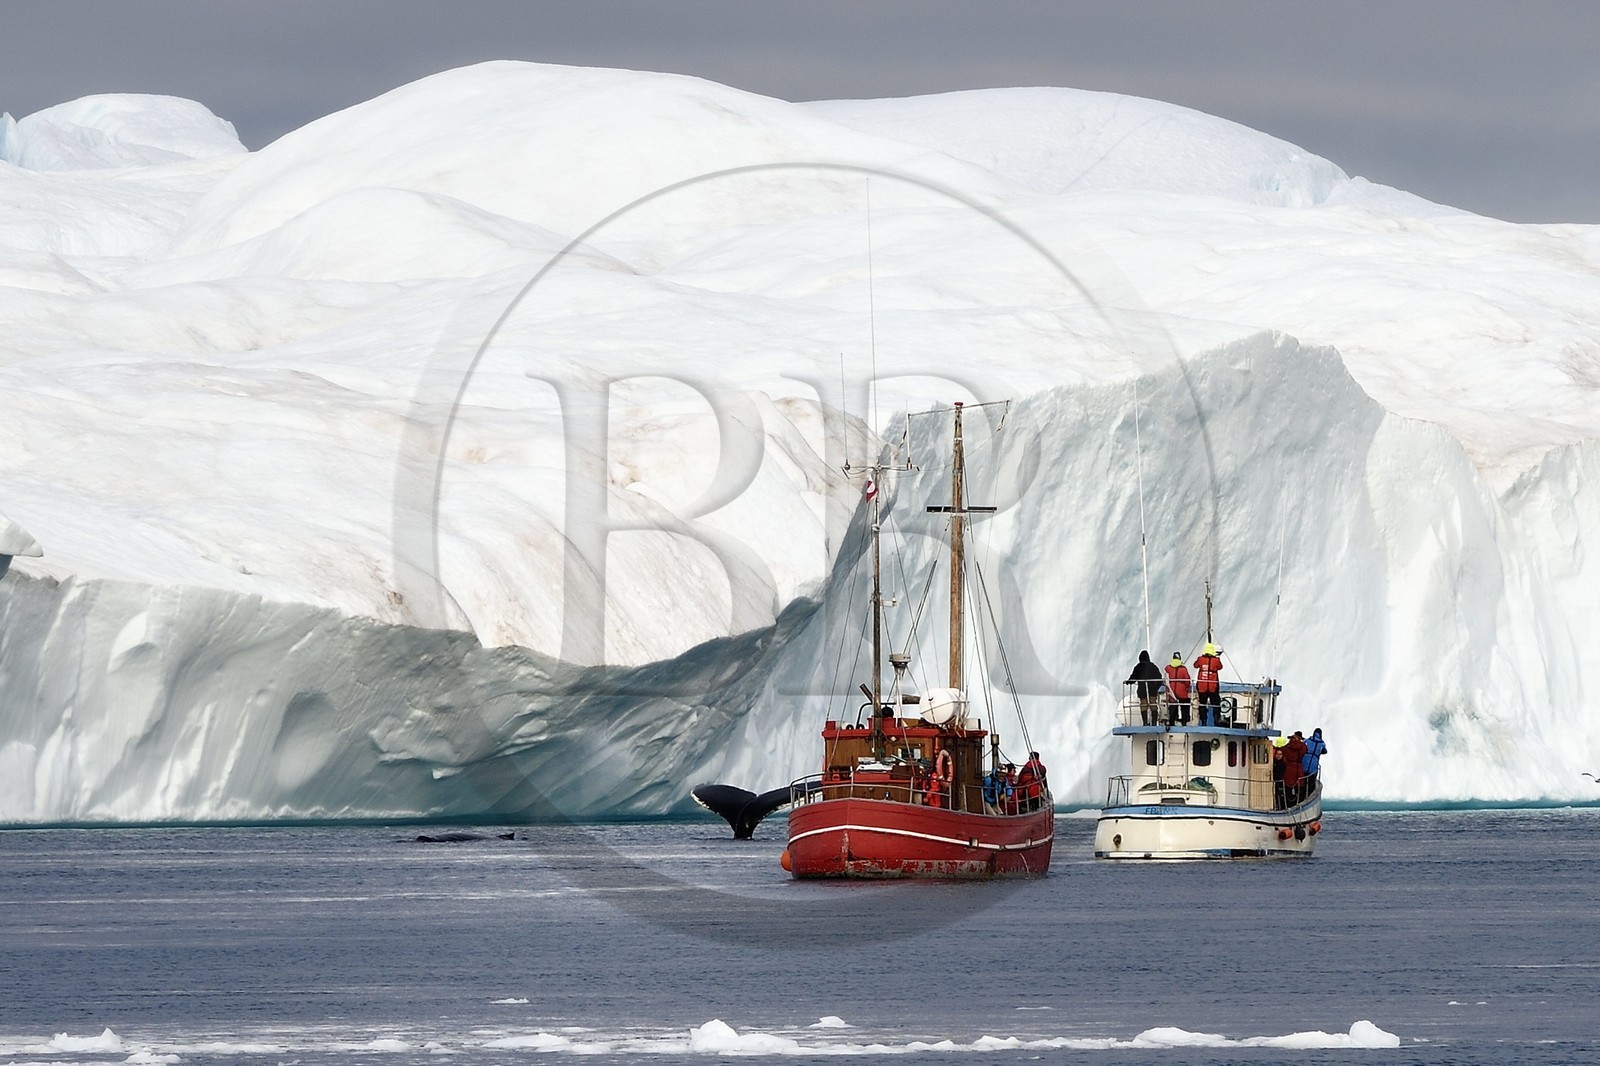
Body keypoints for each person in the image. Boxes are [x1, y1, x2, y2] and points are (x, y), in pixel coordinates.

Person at [1125, 650, 1164, 726]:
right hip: (1152, 690)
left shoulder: (1138, 667)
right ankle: (1154, 723)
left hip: (1142, 690)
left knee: (1143, 706)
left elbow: (1133, 678)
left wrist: (1128, 682)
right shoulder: (1153, 666)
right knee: (1153, 705)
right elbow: (1159, 678)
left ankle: (1145, 723)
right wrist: (1156, 688)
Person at [1193, 643, 1223, 726]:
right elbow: (1220, 667)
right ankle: (1216, 719)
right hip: (1213, 686)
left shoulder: (1200, 659)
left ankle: (1203, 721)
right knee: (1216, 703)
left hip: (1202, 686)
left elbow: (1195, 665)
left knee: (1202, 704)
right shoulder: (1216, 660)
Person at [1164, 653, 1192, 727]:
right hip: (1181, 689)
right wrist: (1186, 687)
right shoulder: (1183, 669)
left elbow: (1165, 670)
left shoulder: (1169, 668)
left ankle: (1172, 721)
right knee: (1184, 704)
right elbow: (1187, 680)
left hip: (1172, 689)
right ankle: (1184, 721)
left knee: (1173, 705)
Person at [1282, 730, 1308, 805]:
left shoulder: (1288, 746)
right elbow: (1305, 750)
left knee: (1288, 786)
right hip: (1298, 768)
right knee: (1299, 786)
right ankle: (1298, 801)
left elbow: (1282, 749)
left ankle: (1287, 802)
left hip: (1289, 768)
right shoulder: (1303, 746)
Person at [1301, 727, 1329, 797]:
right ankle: (1308, 795)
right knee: (1311, 782)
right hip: (1313, 766)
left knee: (1303, 781)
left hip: (1304, 763)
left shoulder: (1308, 740)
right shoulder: (1321, 743)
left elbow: (1303, 744)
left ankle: (1300, 794)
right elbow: (1325, 751)